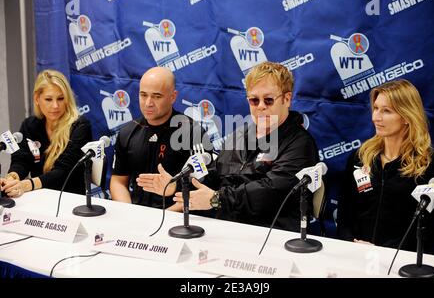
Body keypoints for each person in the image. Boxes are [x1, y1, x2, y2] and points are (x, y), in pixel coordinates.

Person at [143, 61, 320, 232]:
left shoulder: (300, 144)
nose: (260, 107)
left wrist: (216, 199)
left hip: (273, 237)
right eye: (254, 100)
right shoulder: (240, 136)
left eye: (268, 100)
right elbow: (215, 176)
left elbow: (270, 192)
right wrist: (178, 186)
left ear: (287, 99)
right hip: (226, 231)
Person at [337, 79, 434, 256]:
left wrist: (384, 252)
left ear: (406, 116)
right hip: (357, 255)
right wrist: (351, 243)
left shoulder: (427, 163)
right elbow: (344, 214)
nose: (375, 117)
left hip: (404, 261)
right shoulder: (360, 157)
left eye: (386, 111)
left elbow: (433, 226)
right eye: (375, 108)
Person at [110, 66, 206, 210]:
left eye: (156, 96)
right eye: (143, 95)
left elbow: (203, 187)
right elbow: (118, 181)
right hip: (137, 215)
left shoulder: (192, 132)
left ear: (173, 97)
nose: (148, 103)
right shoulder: (128, 132)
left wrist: (163, 218)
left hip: (177, 220)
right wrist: (128, 212)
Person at [0, 69, 92, 197]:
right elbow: (21, 160)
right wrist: (12, 178)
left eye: (60, 98)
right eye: (48, 99)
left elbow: (63, 172)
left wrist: (26, 185)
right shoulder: (30, 125)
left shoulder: (80, 126)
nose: (55, 106)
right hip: (39, 198)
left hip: (71, 200)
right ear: (37, 99)